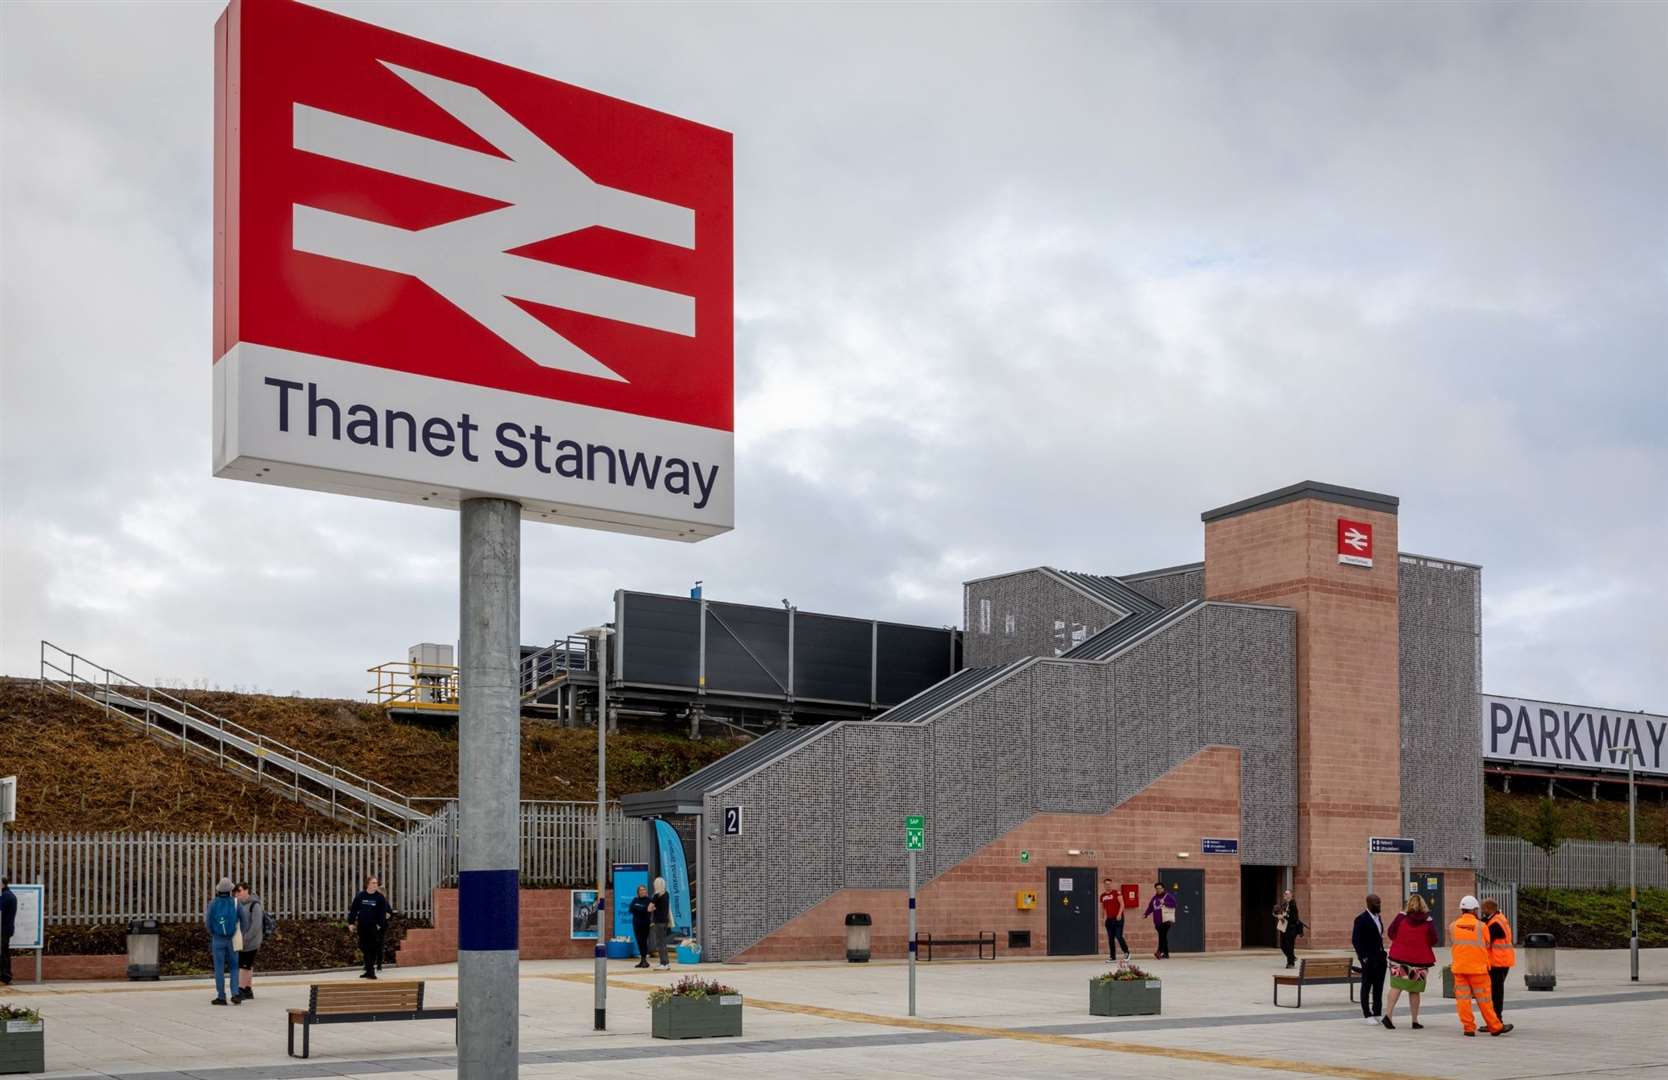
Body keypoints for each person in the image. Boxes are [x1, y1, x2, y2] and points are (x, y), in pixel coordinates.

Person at [1450, 895, 1512, 1037]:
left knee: (1463, 1001)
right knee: (1485, 1000)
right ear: (1474, 910)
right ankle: (1495, 1027)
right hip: (1478, 969)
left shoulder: (1453, 926)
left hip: (1459, 968)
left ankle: (1468, 1028)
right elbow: (1487, 944)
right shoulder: (1482, 926)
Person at [1383, 892, 1436, 1029]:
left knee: (1396, 986)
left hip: (1398, 958)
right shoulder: (1428, 921)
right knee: (1415, 990)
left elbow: (1390, 932)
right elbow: (1434, 939)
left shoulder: (1401, 917)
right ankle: (1414, 1020)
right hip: (1420, 961)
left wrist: (1401, 941)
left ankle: (1388, 1016)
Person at [347, 875, 393, 980]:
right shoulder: (360, 896)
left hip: (374, 927)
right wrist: (351, 923)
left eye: (376, 883)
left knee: (372, 948)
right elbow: (353, 910)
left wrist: (379, 925)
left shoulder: (380, 898)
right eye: (373, 883)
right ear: (367, 884)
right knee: (363, 947)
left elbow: (383, 914)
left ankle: (370, 971)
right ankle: (368, 970)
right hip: (362, 926)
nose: (375, 885)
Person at [205, 877, 242, 1005]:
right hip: (232, 939)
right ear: (231, 890)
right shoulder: (236, 903)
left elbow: (208, 922)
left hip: (218, 940)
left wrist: (214, 933)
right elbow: (244, 920)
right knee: (234, 967)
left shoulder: (213, 903)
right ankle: (235, 994)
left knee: (219, 968)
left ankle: (221, 996)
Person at [1352, 893, 1388, 1025]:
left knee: (1379, 987)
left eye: (1380, 902)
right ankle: (1367, 1014)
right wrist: (1363, 958)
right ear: (1369, 904)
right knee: (1367, 986)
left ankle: (1377, 1012)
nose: (1379, 905)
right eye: (1376, 903)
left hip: (1380, 958)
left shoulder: (1378, 918)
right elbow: (1356, 940)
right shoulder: (1361, 919)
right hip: (1368, 959)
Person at [232, 882, 267, 1002]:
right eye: (235, 892)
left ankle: (241, 990)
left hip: (251, 941)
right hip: (243, 940)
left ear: (247, 890)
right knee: (248, 965)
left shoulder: (255, 905)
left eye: (239, 891)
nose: (237, 894)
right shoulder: (239, 905)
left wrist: (245, 938)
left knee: (244, 966)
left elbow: (256, 925)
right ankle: (248, 989)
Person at [1480, 898, 1514, 1019]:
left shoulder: (1496, 923)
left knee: (1496, 993)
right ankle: (1494, 1019)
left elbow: (1485, 938)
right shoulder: (1497, 918)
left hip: (1498, 962)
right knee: (1495, 991)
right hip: (1500, 961)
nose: (1482, 911)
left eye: (1483, 908)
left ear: (1489, 909)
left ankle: (1496, 1019)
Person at [1142, 881, 1177, 959]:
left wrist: (1165, 903)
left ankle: (1159, 951)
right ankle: (1166, 954)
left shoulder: (1168, 896)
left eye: (1160, 888)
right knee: (1163, 937)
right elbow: (1151, 907)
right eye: (1157, 888)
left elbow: (1174, 904)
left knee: (1162, 936)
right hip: (1157, 921)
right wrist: (1146, 914)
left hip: (1165, 920)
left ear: (1163, 888)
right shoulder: (1154, 898)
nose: (1158, 890)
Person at [1099, 877, 1129, 962]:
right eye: (1106, 884)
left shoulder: (1117, 893)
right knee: (1110, 938)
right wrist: (1103, 919)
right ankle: (1112, 957)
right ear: (1104, 885)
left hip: (1118, 918)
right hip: (1109, 920)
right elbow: (1103, 908)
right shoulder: (1102, 896)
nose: (1108, 885)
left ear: (1111, 884)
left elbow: (1122, 904)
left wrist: (1119, 914)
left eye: (1109, 884)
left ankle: (1127, 952)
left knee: (1119, 936)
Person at [648, 876, 672, 970]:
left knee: (660, 943)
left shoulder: (656, 895)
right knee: (663, 942)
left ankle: (663, 963)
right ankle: (666, 963)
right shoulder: (666, 894)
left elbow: (649, 908)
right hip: (665, 921)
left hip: (658, 922)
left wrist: (654, 908)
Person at [1275, 889, 1302, 968]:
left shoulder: (1292, 904)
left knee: (1290, 945)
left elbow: (1293, 918)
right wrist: (1277, 914)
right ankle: (1292, 957)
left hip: (1291, 928)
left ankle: (1290, 963)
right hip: (1284, 928)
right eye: (1284, 894)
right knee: (1283, 945)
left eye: (1287, 894)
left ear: (1291, 895)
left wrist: (1283, 916)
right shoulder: (1284, 904)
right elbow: (1279, 911)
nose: (1285, 895)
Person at [628, 885, 653, 969]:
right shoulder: (635, 899)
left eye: (644, 890)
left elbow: (646, 910)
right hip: (636, 923)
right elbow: (631, 909)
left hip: (645, 924)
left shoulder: (649, 900)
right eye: (640, 890)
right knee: (639, 942)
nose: (642, 891)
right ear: (638, 892)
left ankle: (644, 960)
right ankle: (642, 960)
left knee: (644, 941)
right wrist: (641, 908)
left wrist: (638, 908)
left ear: (646, 891)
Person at [0, 878, 16, 986]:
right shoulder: (8, 894)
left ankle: (5, 976)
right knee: (4, 952)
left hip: (3, 929)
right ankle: (6, 976)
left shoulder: (6, 896)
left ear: (3, 884)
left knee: (2, 953)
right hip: (6, 929)